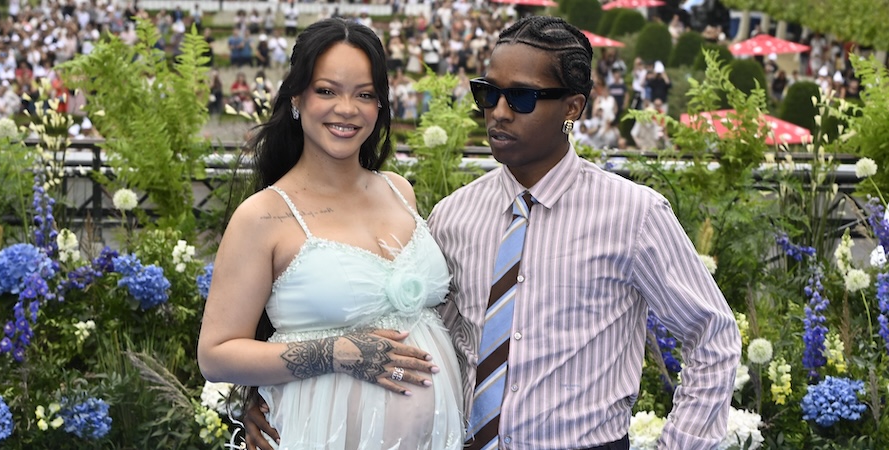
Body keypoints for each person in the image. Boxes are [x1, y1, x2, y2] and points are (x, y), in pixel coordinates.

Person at [244, 15, 740, 450]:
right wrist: (272, 390)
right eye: (488, 93)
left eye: (521, 97)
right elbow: (405, 325)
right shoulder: (455, 215)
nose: (498, 112)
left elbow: (713, 337)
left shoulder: (634, 215)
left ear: (573, 107)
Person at [197, 17, 464, 450]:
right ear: (297, 97)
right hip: (319, 433)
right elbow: (215, 355)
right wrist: (337, 353)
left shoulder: (399, 191)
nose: (347, 108)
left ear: (380, 106)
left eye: (365, 94)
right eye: (327, 91)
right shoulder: (263, 216)